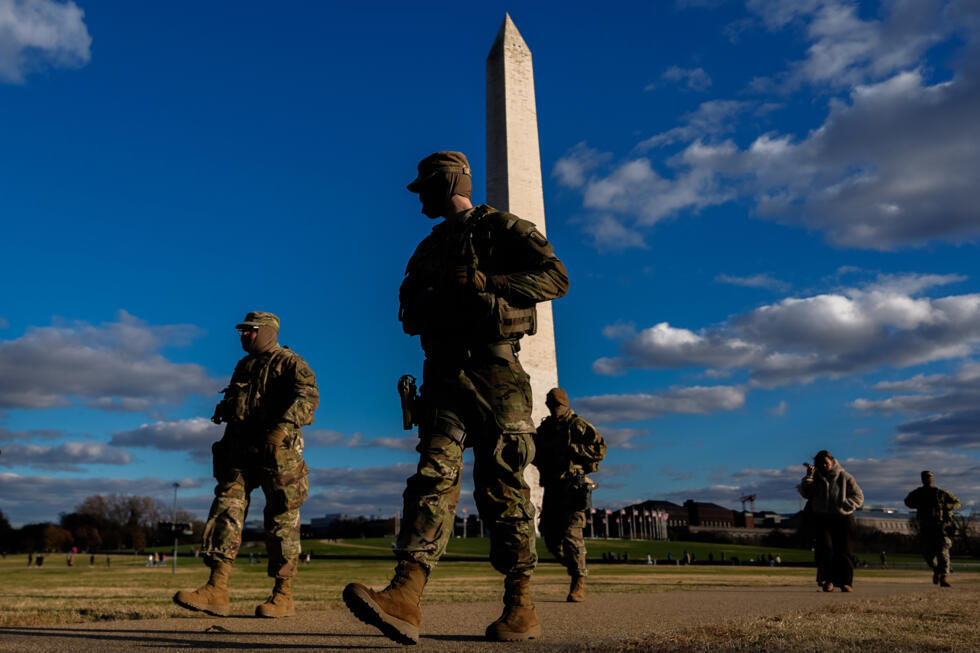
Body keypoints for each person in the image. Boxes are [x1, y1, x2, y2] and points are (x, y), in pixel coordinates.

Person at [342, 151, 569, 645]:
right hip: (443, 375)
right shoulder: (427, 248)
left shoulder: (502, 228)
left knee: (504, 486)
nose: (419, 197)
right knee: (432, 477)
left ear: (446, 184)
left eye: (424, 188)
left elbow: (556, 278)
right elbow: (408, 312)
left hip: (495, 374)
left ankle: (521, 604)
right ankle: (405, 595)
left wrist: (491, 282)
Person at [173, 311, 319, 618]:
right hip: (240, 453)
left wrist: (282, 428)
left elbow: (308, 398)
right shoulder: (244, 366)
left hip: (278, 455)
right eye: (242, 331)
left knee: (281, 520)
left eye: (250, 331)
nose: (244, 336)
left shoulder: (291, 362)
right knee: (226, 509)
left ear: (267, 331)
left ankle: (283, 594)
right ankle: (216, 587)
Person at [533, 387, 606, 602]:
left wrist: (572, 449)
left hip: (573, 488)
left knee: (573, 535)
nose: (555, 409)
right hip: (552, 488)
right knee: (550, 537)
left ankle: (578, 581)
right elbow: (536, 453)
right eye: (552, 405)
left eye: (558, 406)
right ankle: (575, 566)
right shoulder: (546, 428)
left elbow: (600, 449)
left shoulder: (578, 425)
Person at [798, 450, 864, 592]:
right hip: (822, 518)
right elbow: (806, 494)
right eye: (820, 464)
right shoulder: (816, 479)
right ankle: (828, 581)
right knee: (826, 550)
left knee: (844, 551)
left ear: (833, 462)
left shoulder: (845, 477)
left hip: (843, 518)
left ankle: (846, 582)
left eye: (826, 463)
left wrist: (846, 504)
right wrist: (808, 478)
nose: (824, 466)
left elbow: (858, 496)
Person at [904, 471, 961, 587]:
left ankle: (944, 577)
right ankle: (936, 571)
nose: (927, 479)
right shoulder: (918, 493)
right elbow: (907, 501)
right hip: (925, 528)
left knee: (943, 552)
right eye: (925, 478)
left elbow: (957, 503)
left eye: (929, 477)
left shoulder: (940, 493)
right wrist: (918, 504)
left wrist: (946, 506)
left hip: (940, 527)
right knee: (927, 553)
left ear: (933, 479)